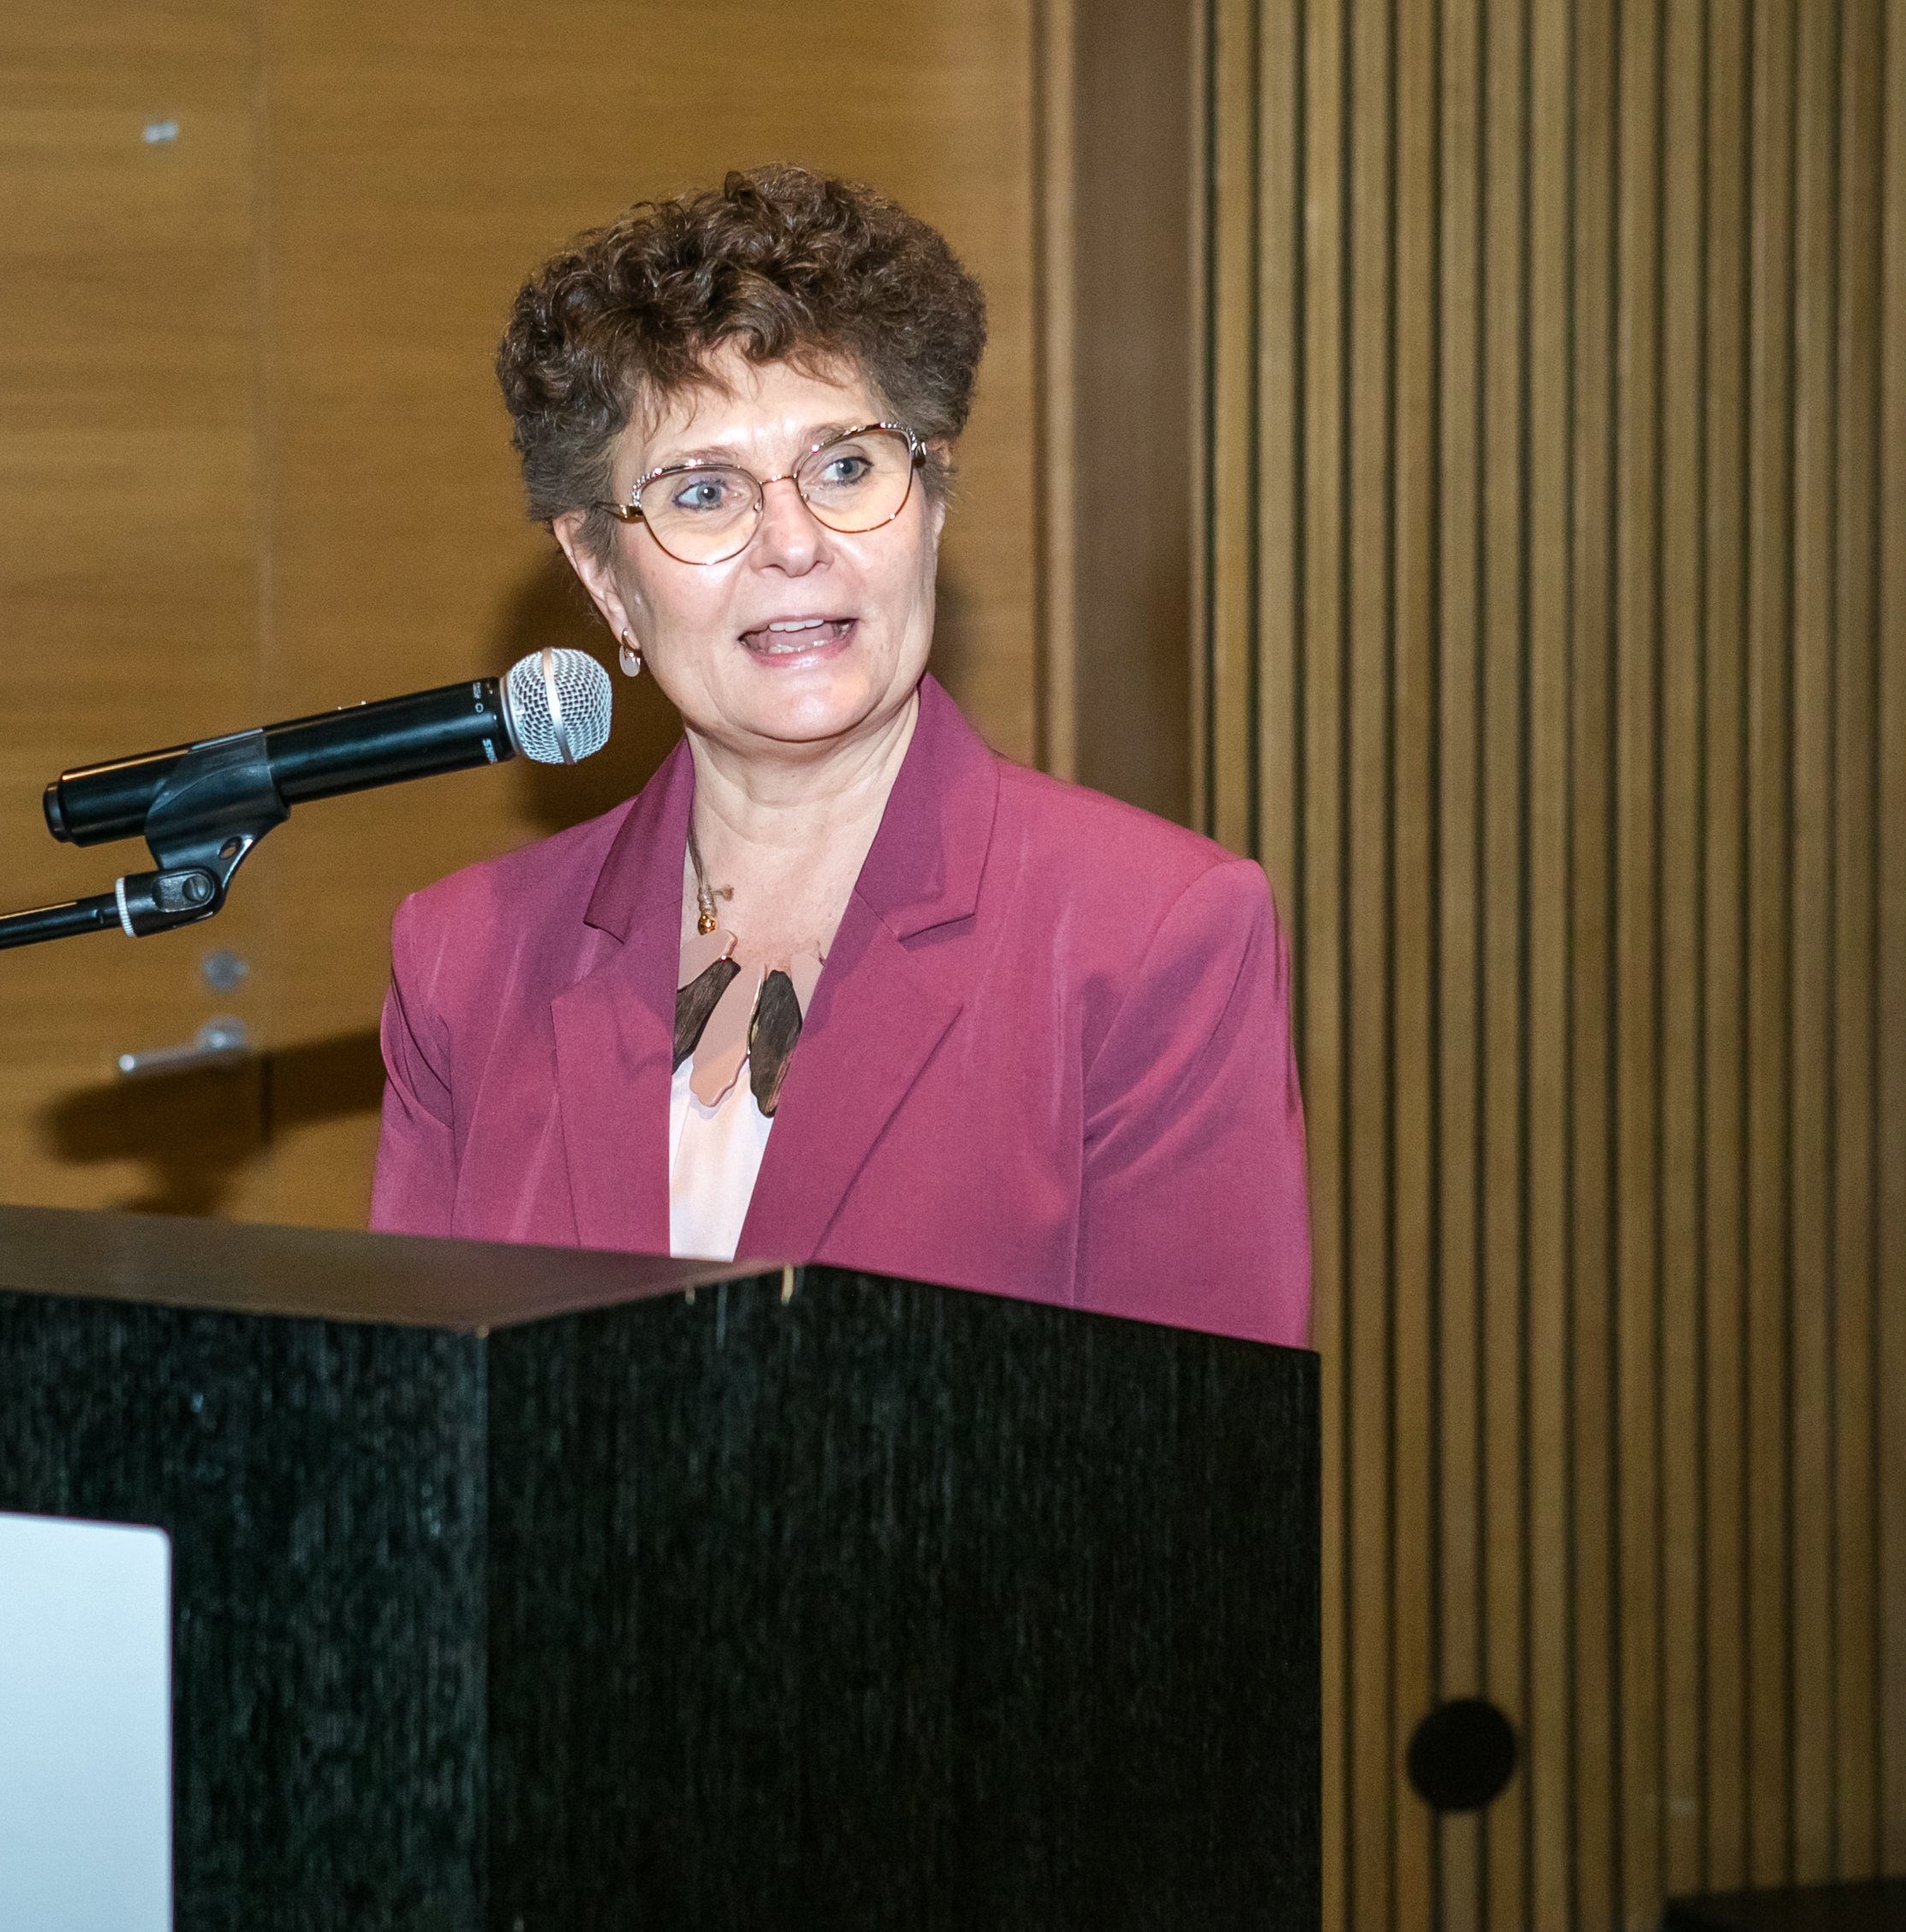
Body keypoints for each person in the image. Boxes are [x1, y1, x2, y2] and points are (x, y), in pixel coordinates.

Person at [371, 166, 1309, 1349]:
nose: (794, 543)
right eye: (703, 493)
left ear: (932, 502)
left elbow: (1200, 1445)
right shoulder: (465, 963)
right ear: (604, 575)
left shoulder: (1152, 938)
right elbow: (423, 1432)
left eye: (847, 468)